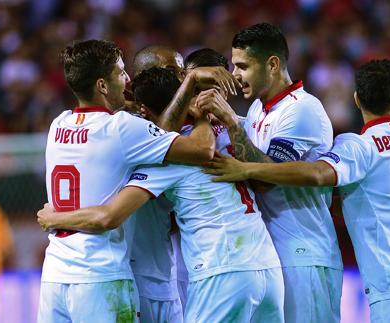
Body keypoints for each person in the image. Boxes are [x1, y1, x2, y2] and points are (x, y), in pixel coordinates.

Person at [204, 59, 390, 323]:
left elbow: (318, 174)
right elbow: (382, 200)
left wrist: (248, 170)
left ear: (357, 100)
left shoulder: (359, 147)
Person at [38, 67, 285, 323]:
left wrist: (55, 218)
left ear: (144, 111)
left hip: (220, 270)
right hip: (267, 265)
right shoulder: (227, 134)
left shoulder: (166, 160)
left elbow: (110, 215)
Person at [201, 22, 343, 322]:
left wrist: (230, 121)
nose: (235, 75)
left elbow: (267, 178)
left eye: (243, 66)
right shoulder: (258, 110)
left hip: (305, 254)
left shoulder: (302, 109)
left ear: (273, 64)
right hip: (274, 255)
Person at [122, 45, 187, 323]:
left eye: (184, 73)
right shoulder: (125, 128)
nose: (182, 80)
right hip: (136, 278)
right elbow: (200, 148)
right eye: (172, 72)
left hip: (165, 272)